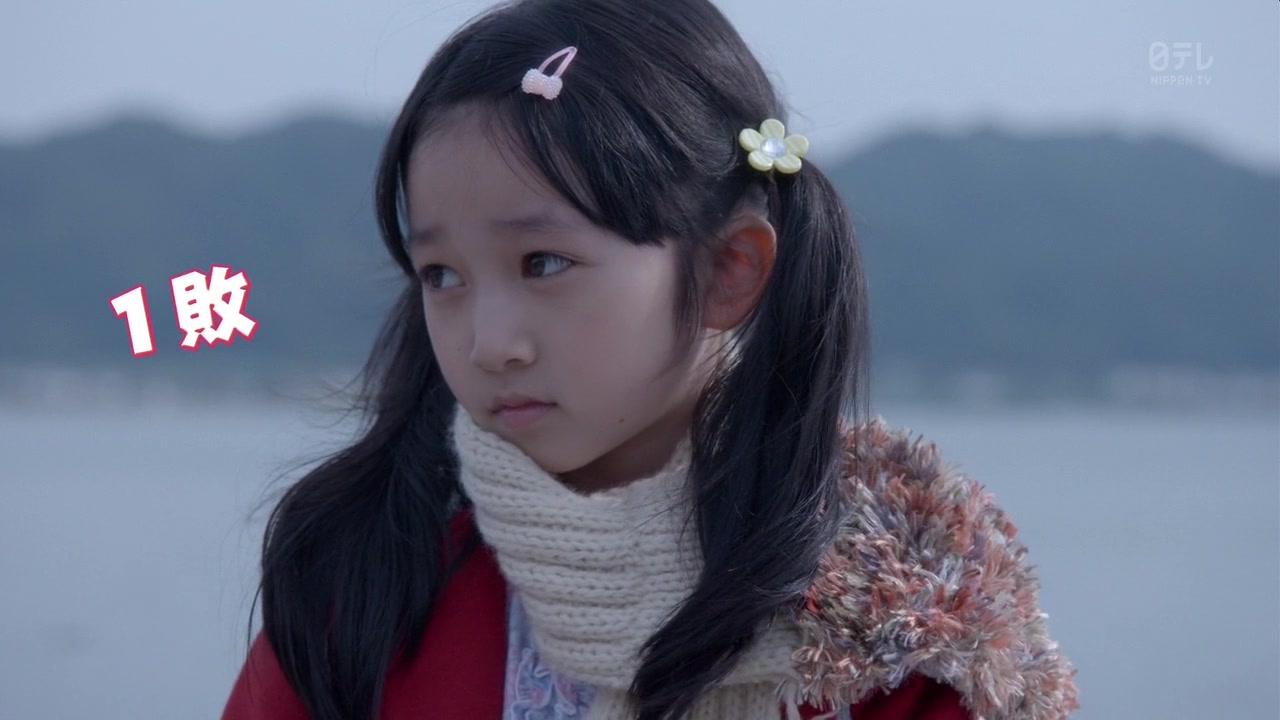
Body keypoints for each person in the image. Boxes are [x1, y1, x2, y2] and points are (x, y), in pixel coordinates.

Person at [220, 0, 1079, 718]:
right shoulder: (364, 581)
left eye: (543, 263)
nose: (489, 343)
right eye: (442, 275)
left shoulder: (905, 619)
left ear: (728, 269)